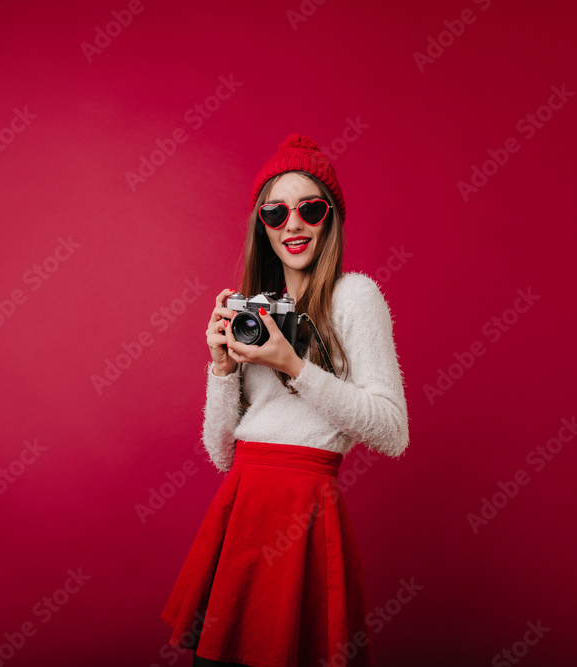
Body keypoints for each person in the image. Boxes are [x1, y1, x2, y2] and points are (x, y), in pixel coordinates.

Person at [161, 134, 410, 667]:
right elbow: (222, 453)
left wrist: (294, 367)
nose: (292, 224)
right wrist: (222, 367)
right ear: (262, 224)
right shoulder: (258, 309)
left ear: (330, 219)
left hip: (306, 503)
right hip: (244, 498)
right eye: (275, 212)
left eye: (310, 209)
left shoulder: (355, 296)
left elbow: (392, 431)